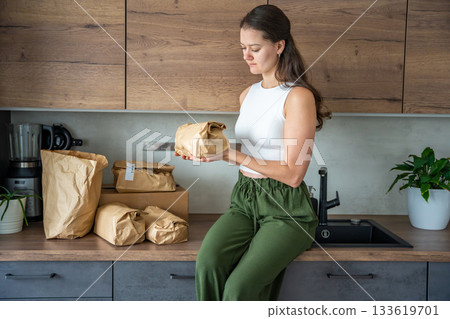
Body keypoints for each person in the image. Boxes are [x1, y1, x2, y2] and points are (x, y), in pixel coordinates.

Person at [175, 4, 331, 301]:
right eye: (243, 47)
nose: (246, 55)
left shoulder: (298, 97)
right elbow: (250, 152)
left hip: (286, 211)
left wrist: (230, 155)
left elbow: (294, 174)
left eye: (255, 48)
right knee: (207, 263)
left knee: (240, 288)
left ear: (279, 46)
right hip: (244, 199)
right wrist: (212, 151)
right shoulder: (248, 94)